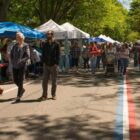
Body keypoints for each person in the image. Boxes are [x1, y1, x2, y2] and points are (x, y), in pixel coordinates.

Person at [38, 30, 60, 101]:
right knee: (44, 81)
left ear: (52, 35)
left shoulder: (56, 44)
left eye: (49, 34)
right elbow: (43, 53)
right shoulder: (45, 43)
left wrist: (56, 63)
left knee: (54, 81)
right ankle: (44, 95)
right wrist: (43, 62)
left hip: (54, 65)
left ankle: (53, 95)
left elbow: (58, 54)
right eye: (47, 34)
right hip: (46, 65)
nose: (48, 35)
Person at [10, 32, 30, 102]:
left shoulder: (26, 45)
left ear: (22, 37)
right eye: (17, 36)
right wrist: (12, 61)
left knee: (20, 80)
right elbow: (11, 54)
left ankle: (18, 96)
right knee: (15, 80)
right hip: (15, 65)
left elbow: (28, 56)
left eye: (18, 36)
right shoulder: (15, 46)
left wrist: (21, 61)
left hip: (22, 66)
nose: (17, 37)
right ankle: (22, 89)